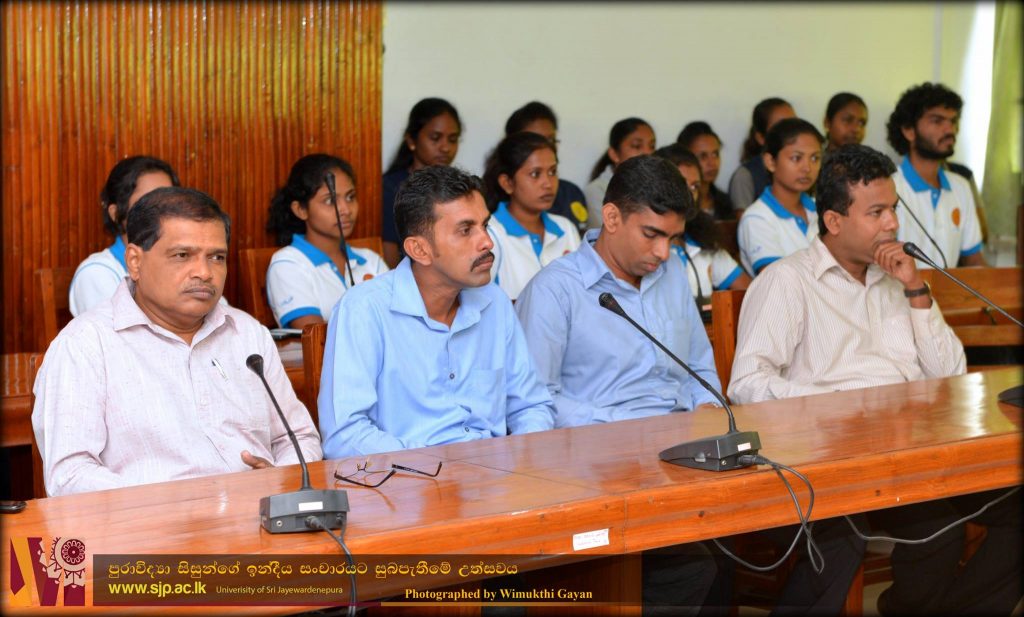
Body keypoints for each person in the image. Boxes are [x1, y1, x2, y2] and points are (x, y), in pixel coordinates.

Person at [728, 144, 1020, 617]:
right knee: (937, 536)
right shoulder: (787, 282)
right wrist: (843, 404)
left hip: (920, 448)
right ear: (833, 220)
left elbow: (950, 375)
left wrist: (916, 291)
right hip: (837, 459)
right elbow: (747, 384)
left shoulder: (897, 279)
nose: (892, 224)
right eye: (877, 212)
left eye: (894, 209)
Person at [515, 155, 718, 614]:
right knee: (695, 568)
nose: (663, 252)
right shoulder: (556, 290)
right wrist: (626, 431)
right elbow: (534, 402)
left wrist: (707, 411)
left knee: (750, 532)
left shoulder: (670, 276)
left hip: (682, 458)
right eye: (652, 234)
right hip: (596, 469)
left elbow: (700, 368)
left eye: (673, 239)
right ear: (611, 218)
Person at [33, 187, 322, 497]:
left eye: (217, 257)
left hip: (257, 515)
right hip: (146, 523)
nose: (205, 273)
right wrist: (171, 503)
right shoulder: (85, 346)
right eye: (182, 255)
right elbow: (70, 476)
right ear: (135, 261)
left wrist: (277, 480)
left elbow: (300, 438)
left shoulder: (248, 334)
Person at [318, 165, 555, 460]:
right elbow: (345, 436)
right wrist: (436, 468)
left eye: (485, 225)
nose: (487, 242)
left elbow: (532, 406)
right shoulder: (364, 310)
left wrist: (518, 463)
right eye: (465, 230)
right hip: (408, 479)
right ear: (419, 250)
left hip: (496, 475)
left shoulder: (494, 302)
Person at [265, 153, 388, 329]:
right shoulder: (288, 263)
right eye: (330, 200)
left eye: (350, 197)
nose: (345, 209)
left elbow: (399, 322)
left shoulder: (371, 261)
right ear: (300, 210)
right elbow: (316, 337)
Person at [886, 82, 985, 267]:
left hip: (949, 287)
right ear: (909, 130)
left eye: (953, 121)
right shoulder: (888, 187)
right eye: (937, 121)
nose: (950, 130)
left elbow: (974, 260)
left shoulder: (961, 186)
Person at [69, 156, 180, 316]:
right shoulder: (97, 273)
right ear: (115, 214)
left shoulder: (189, 263)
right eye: (147, 203)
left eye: (169, 201)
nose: (163, 212)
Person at [482, 132, 581, 300]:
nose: (548, 183)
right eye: (535, 174)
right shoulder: (489, 234)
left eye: (553, 172)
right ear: (507, 183)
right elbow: (483, 304)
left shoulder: (566, 228)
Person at [653, 144, 749, 310]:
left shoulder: (703, 239)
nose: (690, 195)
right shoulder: (646, 247)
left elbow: (749, 290)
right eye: (681, 185)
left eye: (695, 187)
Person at [381, 97, 462, 268]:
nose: (445, 148)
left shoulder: (459, 188)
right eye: (435, 138)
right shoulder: (391, 188)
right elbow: (389, 255)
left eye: (452, 139)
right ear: (411, 140)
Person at [737, 118, 824, 276]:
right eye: (796, 158)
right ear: (770, 162)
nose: (807, 168)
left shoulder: (822, 209)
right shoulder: (757, 218)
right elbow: (777, 279)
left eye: (815, 158)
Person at [504, 101, 589, 235]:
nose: (545, 147)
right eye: (535, 174)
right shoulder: (492, 220)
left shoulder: (571, 193)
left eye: (551, 140)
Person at [583, 117, 655, 229]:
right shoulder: (597, 190)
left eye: (652, 146)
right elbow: (608, 232)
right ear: (614, 154)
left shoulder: (656, 186)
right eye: (636, 146)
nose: (648, 153)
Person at [727, 98, 796, 211]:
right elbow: (745, 220)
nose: (791, 134)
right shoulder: (745, 176)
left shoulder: (805, 169)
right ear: (760, 138)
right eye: (781, 128)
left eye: (794, 126)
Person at [677, 121, 735, 220]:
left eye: (715, 154)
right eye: (703, 156)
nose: (712, 163)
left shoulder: (726, 202)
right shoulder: (678, 204)